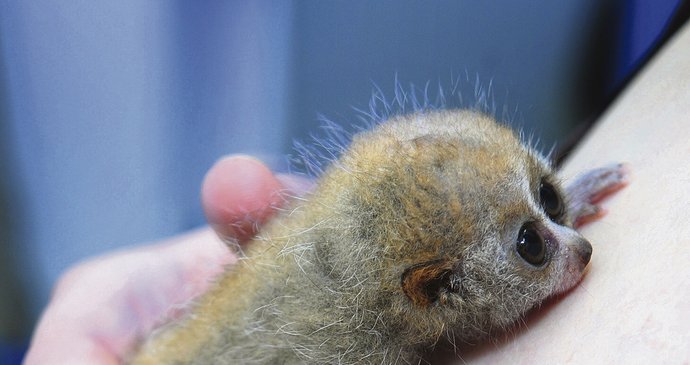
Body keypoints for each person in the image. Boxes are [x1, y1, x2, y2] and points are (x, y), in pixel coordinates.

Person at [25, 22, 690, 365]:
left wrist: (552, 203)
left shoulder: (417, 271)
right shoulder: (350, 340)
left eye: (547, 206)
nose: (580, 247)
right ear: (435, 291)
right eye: (531, 244)